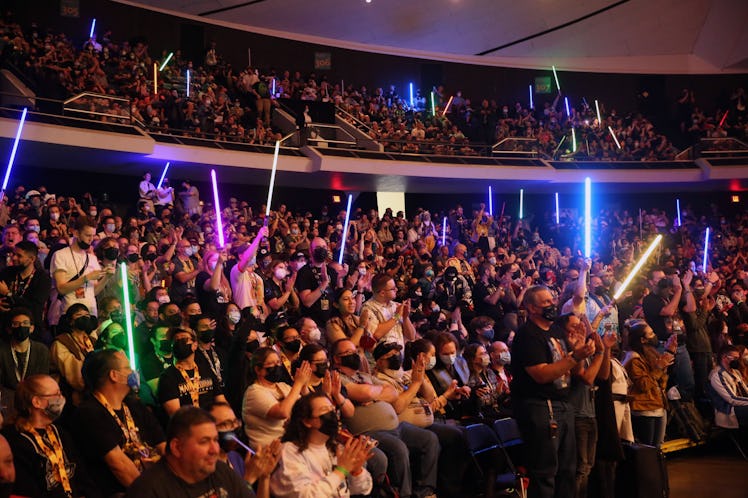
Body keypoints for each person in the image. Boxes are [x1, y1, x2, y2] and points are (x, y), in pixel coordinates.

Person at [510, 285, 594, 498]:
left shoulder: (556, 331)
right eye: (545, 302)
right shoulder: (527, 335)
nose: (552, 305)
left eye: (552, 300)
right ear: (531, 307)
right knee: (545, 471)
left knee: (567, 469)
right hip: (540, 407)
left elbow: (576, 371)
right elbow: (542, 375)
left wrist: (578, 351)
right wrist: (574, 356)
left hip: (563, 404)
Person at [332, 338, 439, 498]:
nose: (354, 355)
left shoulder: (364, 375)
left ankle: (425, 492)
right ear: (336, 358)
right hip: (370, 432)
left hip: (397, 427)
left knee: (429, 439)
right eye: (348, 353)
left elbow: (393, 393)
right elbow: (366, 393)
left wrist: (374, 396)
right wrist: (375, 393)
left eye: (355, 351)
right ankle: (404, 495)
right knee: (398, 448)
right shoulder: (338, 379)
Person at [75, 349, 166, 496]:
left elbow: (162, 444)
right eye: (128, 368)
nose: (133, 372)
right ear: (114, 375)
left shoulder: (135, 405)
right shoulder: (89, 413)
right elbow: (119, 465)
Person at [125, 406, 262, 498]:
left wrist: (264, 477)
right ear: (177, 448)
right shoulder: (148, 490)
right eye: (204, 441)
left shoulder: (220, 470)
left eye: (215, 440)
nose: (214, 449)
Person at [3, 375, 98, 497]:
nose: (61, 398)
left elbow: (83, 477)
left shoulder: (61, 433)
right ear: (37, 402)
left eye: (61, 393)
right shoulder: (15, 441)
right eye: (56, 395)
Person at [270, 391, 374, 497]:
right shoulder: (290, 451)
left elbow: (362, 490)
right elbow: (305, 495)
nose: (332, 414)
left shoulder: (335, 447)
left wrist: (356, 471)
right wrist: (342, 470)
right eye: (325, 410)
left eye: (332, 409)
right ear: (307, 421)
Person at [242, 347, 312, 449]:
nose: (277, 366)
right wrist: (298, 383)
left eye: (278, 362)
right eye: (272, 364)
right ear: (258, 369)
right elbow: (282, 412)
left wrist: (304, 387)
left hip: (291, 445)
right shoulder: (253, 392)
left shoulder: (283, 386)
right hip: (268, 452)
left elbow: (309, 407)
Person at [208, 401, 281, 497]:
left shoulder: (235, 458)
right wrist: (249, 478)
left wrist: (265, 476)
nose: (234, 427)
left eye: (235, 422)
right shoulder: (207, 471)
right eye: (225, 424)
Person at [623, 319, 676, 448]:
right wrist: (659, 368)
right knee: (647, 448)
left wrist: (669, 354)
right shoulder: (633, 359)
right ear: (642, 340)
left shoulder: (650, 353)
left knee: (658, 447)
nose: (654, 336)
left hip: (658, 405)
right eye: (651, 334)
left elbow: (661, 381)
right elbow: (644, 385)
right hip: (644, 408)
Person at [50, 216, 113, 316]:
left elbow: (94, 291)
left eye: (93, 235)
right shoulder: (60, 255)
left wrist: (107, 277)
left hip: (91, 312)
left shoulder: (92, 258)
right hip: (70, 313)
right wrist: (86, 278)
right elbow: (61, 288)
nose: (91, 239)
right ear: (76, 233)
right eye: (87, 235)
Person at [159, 327, 227, 415]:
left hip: (212, 423)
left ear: (195, 345)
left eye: (184, 338)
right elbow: (176, 415)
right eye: (176, 340)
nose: (179, 342)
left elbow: (221, 400)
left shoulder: (206, 369)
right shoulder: (168, 377)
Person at [0, 308, 50, 417]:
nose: (21, 327)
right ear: (9, 329)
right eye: (16, 324)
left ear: (32, 328)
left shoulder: (41, 350)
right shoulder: (2, 350)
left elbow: (43, 379)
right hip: (7, 400)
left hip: (33, 399)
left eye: (25, 323)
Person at [49, 304, 97, 405]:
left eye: (87, 315)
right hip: (69, 394)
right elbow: (73, 372)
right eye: (79, 315)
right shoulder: (61, 342)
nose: (84, 318)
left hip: (94, 392)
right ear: (70, 321)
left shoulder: (93, 341)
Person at [0, 241, 51, 331]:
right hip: (6, 325)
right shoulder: (6, 272)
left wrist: (8, 293)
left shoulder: (43, 279)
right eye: (13, 254)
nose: (14, 258)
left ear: (32, 259)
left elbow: (34, 307)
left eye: (19, 256)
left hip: (30, 328)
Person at [362, 273, 416, 348]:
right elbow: (375, 335)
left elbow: (411, 337)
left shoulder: (396, 306)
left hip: (399, 356)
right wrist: (396, 316)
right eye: (393, 288)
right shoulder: (368, 308)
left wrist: (405, 317)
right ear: (382, 293)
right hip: (382, 357)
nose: (396, 289)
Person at [295, 237, 337, 326]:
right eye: (318, 248)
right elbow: (307, 302)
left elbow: (336, 296)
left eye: (324, 247)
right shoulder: (304, 272)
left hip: (331, 322)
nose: (321, 250)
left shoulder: (331, 271)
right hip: (312, 323)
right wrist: (324, 283)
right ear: (310, 251)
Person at [708, 345, 748, 429]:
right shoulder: (717, 375)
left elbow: (746, 391)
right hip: (728, 412)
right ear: (724, 358)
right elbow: (732, 399)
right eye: (735, 358)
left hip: (739, 407)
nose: (738, 361)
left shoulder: (735, 372)